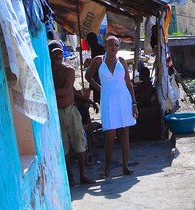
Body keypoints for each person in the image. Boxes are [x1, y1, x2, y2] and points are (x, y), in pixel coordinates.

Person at [85, 35, 138, 178]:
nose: (113, 47)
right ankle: (107, 168)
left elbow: (128, 83)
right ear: (105, 45)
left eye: (116, 45)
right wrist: (100, 88)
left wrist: (134, 103)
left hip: (123, 99)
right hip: (108, 100)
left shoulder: (121, 61)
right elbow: (87, 76)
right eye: (111, 45)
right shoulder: (98, 61)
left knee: (125, 132)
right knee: (110, 134)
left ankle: (125, 167)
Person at [49, 40, 95, 185]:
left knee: (79, 143)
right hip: (57, 112)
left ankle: (82, 175)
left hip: (70, 110)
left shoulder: (68, 70)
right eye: (54, 53)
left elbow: (66, 92)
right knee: (64, 147)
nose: (58, 56)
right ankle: (69, 176)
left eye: (60, 52)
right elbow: (68, 92)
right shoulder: (48, 71)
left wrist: (49, 92)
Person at [85, 32, 104, 103]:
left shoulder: (98, 49)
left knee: (99, 95)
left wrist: (90, 62)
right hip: (96, 75)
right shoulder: (94, 49)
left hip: (99, 76)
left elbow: (99, 63)